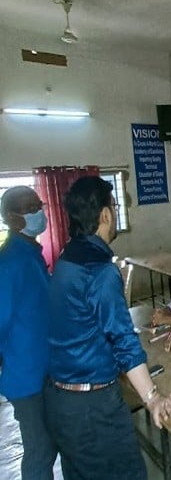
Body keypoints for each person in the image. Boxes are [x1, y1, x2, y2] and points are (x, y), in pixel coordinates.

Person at [46, 176, 171, 479]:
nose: (117, 214)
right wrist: (152, 397)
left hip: (62, 401)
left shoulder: (67, 258)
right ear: (105, 214)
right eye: (115, 207)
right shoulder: (100, 271)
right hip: (93, 409)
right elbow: (123, 340)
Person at [0, 186, 57, 479]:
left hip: (44, 371)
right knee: (39, 449)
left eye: (39, 204)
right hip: (26, 377)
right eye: (29, 207)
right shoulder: (8, 263)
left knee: (49, 445)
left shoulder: (31, 253)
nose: (39, 212)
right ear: (11, 218)